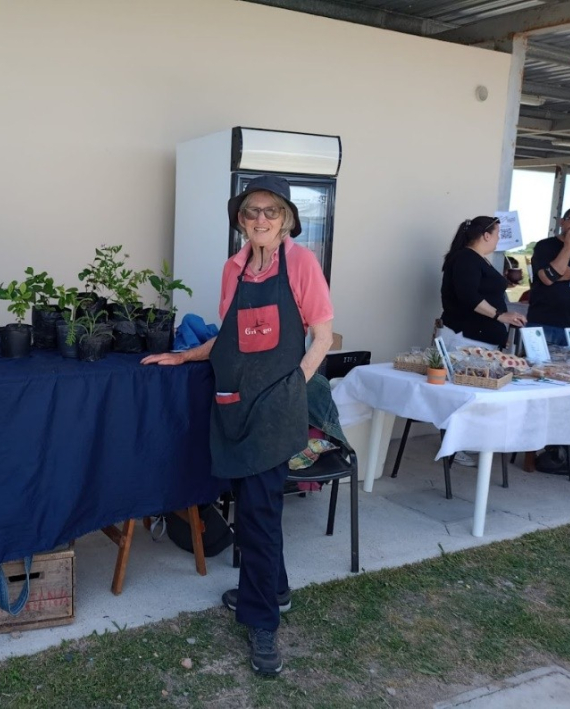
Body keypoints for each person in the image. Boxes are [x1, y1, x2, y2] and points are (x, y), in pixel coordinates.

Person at [142, 175, 334, 676]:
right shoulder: (234, 268)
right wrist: (182, 356)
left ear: (287, 219)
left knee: (259, 512)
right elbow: (228, 335)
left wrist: (296, 382)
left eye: (271, 212)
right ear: (241, 222)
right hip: (233, 401)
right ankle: (276, 589)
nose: (261, 220)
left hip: (275, 407)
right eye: (252, 212)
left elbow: (323, 334)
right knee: (256, 505)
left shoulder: (302, 263)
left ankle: (261, 620)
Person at [439, 216, 527, 350]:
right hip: (465, 339)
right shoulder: (466, 258)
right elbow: (469, 296)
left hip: (479, 339)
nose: (498, 238)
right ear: (486, 236)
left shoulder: (478, 259)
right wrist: (500, 315)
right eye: (497, 234)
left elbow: (484, 290)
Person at [526, 205, 570, 346]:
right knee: (536, 367)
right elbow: (548, 278)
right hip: (543, 323)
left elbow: (555, 273)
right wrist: (568, 247)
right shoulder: (544, 246)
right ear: (562, 222)